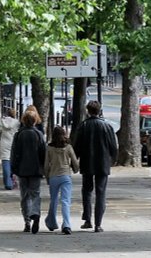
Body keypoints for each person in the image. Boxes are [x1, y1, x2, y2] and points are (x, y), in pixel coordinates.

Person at [73, 100, 118, 233]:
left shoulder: (83, 126)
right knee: (101, 192)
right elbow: (113, 146)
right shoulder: (107, 126)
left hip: (87, 162)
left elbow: (77, 146)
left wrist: (75, 160)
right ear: (99, 110)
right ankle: (98, 223)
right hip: (102, 163)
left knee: (86, 190)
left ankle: (87, 219)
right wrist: (113, 159)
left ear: (88, 111)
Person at [11, 110, 47, 234]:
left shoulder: (19, 135)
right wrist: (44, 168)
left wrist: (13, 169)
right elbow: (43, 152)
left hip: (22, 170)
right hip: (36, 170)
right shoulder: (39, 134)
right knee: (35, 194)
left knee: (24, 196)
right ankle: (35, 213)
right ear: (35, 121)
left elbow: (14, 153)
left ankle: (27, 221)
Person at [44, 126, 79, 235]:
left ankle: (52, 222)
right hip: (65, 176)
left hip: (54, 176)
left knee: (53, 200)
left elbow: (46, 165)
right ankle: (67, 224)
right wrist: (75, 169)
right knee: (65, 201)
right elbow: (75, 162)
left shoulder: (49, 148)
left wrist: (47, 177)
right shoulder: (68, 147)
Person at [0, 109, 20, 190]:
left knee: (5, 162)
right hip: (14, 144)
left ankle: (8, 183)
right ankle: (13, 179)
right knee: (14, 162)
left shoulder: (1, 123)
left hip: (4, 144)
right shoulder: (17, 123)